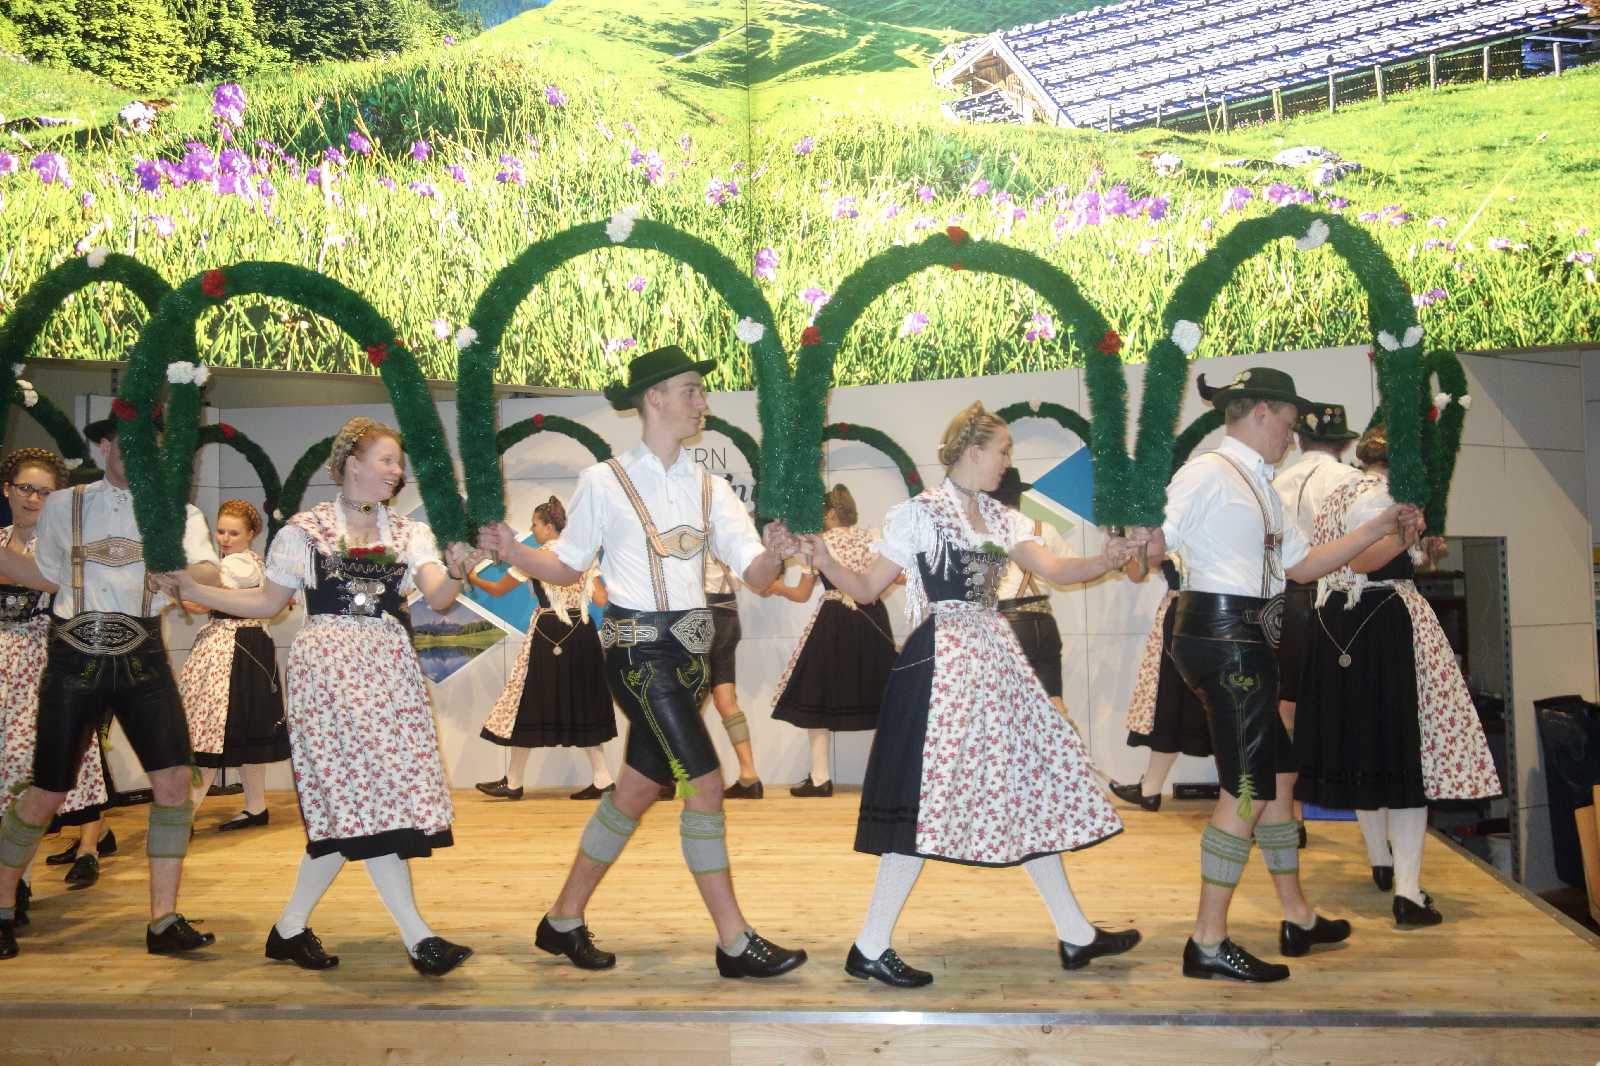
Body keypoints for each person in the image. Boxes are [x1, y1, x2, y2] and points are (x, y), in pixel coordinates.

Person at [478, 344, 807, 979]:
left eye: (701, 392)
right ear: (653, 398)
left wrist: (775, 550)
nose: (702, 402)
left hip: (693, 657)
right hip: (636, 653)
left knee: (633, 791)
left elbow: (755, 574)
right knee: (705, 784)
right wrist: (513, 552)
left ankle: (561, 920)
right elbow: (567, 566)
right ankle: (734, 942)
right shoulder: (602, 481)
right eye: (691, 390)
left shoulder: (710, 487)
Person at [806, 403, 1135, 989]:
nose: (1007, 462)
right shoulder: (919, 514)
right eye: (1003, 451)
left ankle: (1076, 934)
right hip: (941, 665)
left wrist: (1103, 560)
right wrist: (826, 559)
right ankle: (870, 944)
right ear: (973, 450)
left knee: (1025, 788)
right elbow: (867, 587)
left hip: (992, 660)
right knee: (924, 802)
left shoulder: (1002, 518)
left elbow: (1055, 569)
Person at [166, 417, 478, 976]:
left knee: (358, 805)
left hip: (387, 670)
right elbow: (266, 603)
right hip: (328, 673)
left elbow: (439, 596)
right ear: (353, 463)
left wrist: (457, 570)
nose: (397, 470)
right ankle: (419, 938)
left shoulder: (408, 532)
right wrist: (194, 588)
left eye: (398, 461)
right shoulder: (304, 531)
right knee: (365, 801)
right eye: (387, 459)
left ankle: (289, 929)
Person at [1141, 367, 1425, 983]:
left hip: (1249, 638)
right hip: (1223, 636)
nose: (1292, 439)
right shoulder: (1208, 473)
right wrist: (1137, 537)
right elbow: (1156, 541)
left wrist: (1376, 529)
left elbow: (1301, 566)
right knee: (1247, 787)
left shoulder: (1260, 483)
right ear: (1262, 412)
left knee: (1278, 774)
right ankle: (1207, 941)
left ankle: (1297, 915)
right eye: (1289, 425)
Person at [0, 416, 223, 960]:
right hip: (73, 657)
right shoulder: (63, 505)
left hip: (143, 656)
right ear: (105, 446)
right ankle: (2, 907)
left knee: (174, 781)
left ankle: (163, 920)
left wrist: (179, 576)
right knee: (48, 789)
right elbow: (46, 576)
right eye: (130, 444)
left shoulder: (178, 512)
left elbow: (209, 572)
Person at [1294, 425, 1501, 927]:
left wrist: (1415, 545)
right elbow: (1367, 560)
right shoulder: (1387, 496)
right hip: (1384, 621)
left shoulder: (1341, 491)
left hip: (1338, 621)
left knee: (1369, 749)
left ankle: (1381, 862)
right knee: (1405, 756)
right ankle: (1407, 891)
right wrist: (1409, 535)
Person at [0, 449, 109, 923]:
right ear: (7, 489)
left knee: (25, 776)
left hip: (40, 667)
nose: (33, 498)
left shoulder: (63, 547)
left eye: (44, 492)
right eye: (25, 488)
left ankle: (18, 884)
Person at [472, 495, 617, 802]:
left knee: (527, 703)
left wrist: (471, 577)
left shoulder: (534, 558)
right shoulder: (583, 556)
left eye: (535, 524)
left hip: (549, 632)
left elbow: (498, 589)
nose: (533, 530)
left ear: (549, 526)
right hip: (582, 632)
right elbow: (602, 599)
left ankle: (514, 781)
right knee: (583, 703)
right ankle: (603, 779)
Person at [769, 483, 897, 796]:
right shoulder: (871, 539)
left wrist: (776, 587)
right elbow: (897, 576)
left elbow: (802, 594)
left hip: (835, 618)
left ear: (829, 514)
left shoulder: (820, 544)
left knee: (817, 691)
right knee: (883, 693)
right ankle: (887, 777)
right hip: (872, 614)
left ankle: (820, 778)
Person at [180, 499, 290, 830]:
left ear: (251, 534)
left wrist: (180, 589)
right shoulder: (249, 563)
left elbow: (200, 603)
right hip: (243, 647)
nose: (225, 539)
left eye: (234, 533)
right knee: (243, 733)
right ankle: (256, 807)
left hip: (236, 650)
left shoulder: (238, 565)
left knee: (212, 734)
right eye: (221, 531)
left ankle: (182, 819)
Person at [1269, 403, 1361, 795]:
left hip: (1285, 598)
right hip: (1334, 596)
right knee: (1342, 699)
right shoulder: (1353, 480)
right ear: (1343, 444)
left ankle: (1286, 803)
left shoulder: (1277, 481)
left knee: (1286, 704)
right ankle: (1339, 789)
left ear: (1300, 439)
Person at [1110, 556, 1212, 812]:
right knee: (1187, 702)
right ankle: (1151, 788)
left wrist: (1130, 547)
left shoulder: (1166, 530)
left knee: (1173, 701)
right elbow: (1138, 569)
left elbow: (1138, 569)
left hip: (1191, 612)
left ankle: (1151, 790)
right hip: (1217, 610)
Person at [989, 467, 1074, 720]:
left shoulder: (984, 532)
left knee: (1007, 711)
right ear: (1019, 496)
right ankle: (1063, 738)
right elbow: (1072, 568)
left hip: (1006, 624)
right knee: (1053, 704)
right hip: (1044, 624)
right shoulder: (1043, 529)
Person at [698, 556, 764, 799]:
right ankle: (749, 775)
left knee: (686, 701)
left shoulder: (691, 537)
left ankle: (685, 778)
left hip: (699, 612)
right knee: (726, 700)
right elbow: (738, 581)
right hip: (727, 613)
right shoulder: (725, 539)